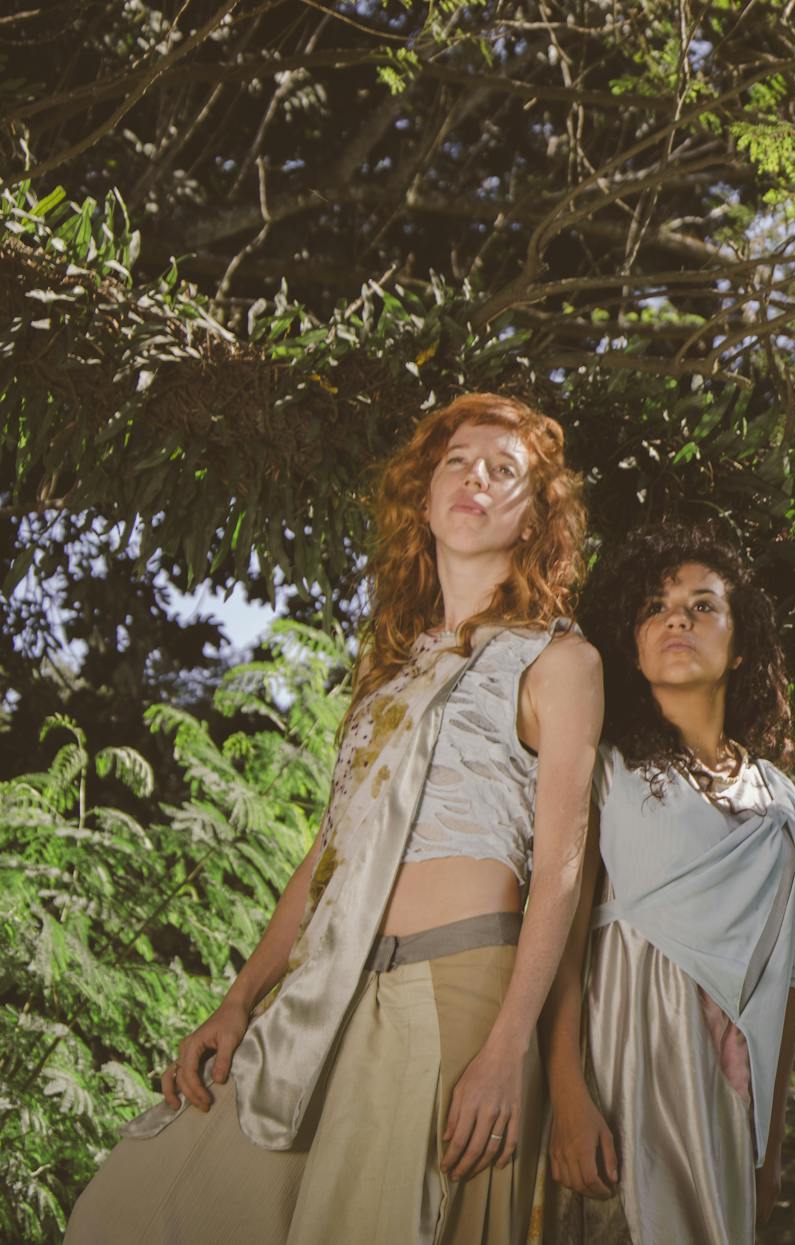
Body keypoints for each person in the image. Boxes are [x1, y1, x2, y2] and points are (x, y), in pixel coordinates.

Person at [66, 393, 603, 1245]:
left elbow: (565, 870)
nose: (477, 479)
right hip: (326, 982)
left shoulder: (559, 659)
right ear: (425, 495)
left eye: (507, 473)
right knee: (137, 1212)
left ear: (536, 517)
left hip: (456, 989)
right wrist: (240, 998)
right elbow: (332, 851)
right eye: (459, 461)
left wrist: (509, 1047)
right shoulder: (389, 664)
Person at [532, 526, 795, 1245]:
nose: (677, 619)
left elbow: (785, 978)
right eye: (655, 607)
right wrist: (566, 1088)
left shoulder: (780, 798)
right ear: (633, 642)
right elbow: (560, 926)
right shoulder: (605, 767)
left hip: (728, 1092)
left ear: (741, 643)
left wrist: (769, 1147)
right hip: (621, 1060)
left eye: (703, 605)